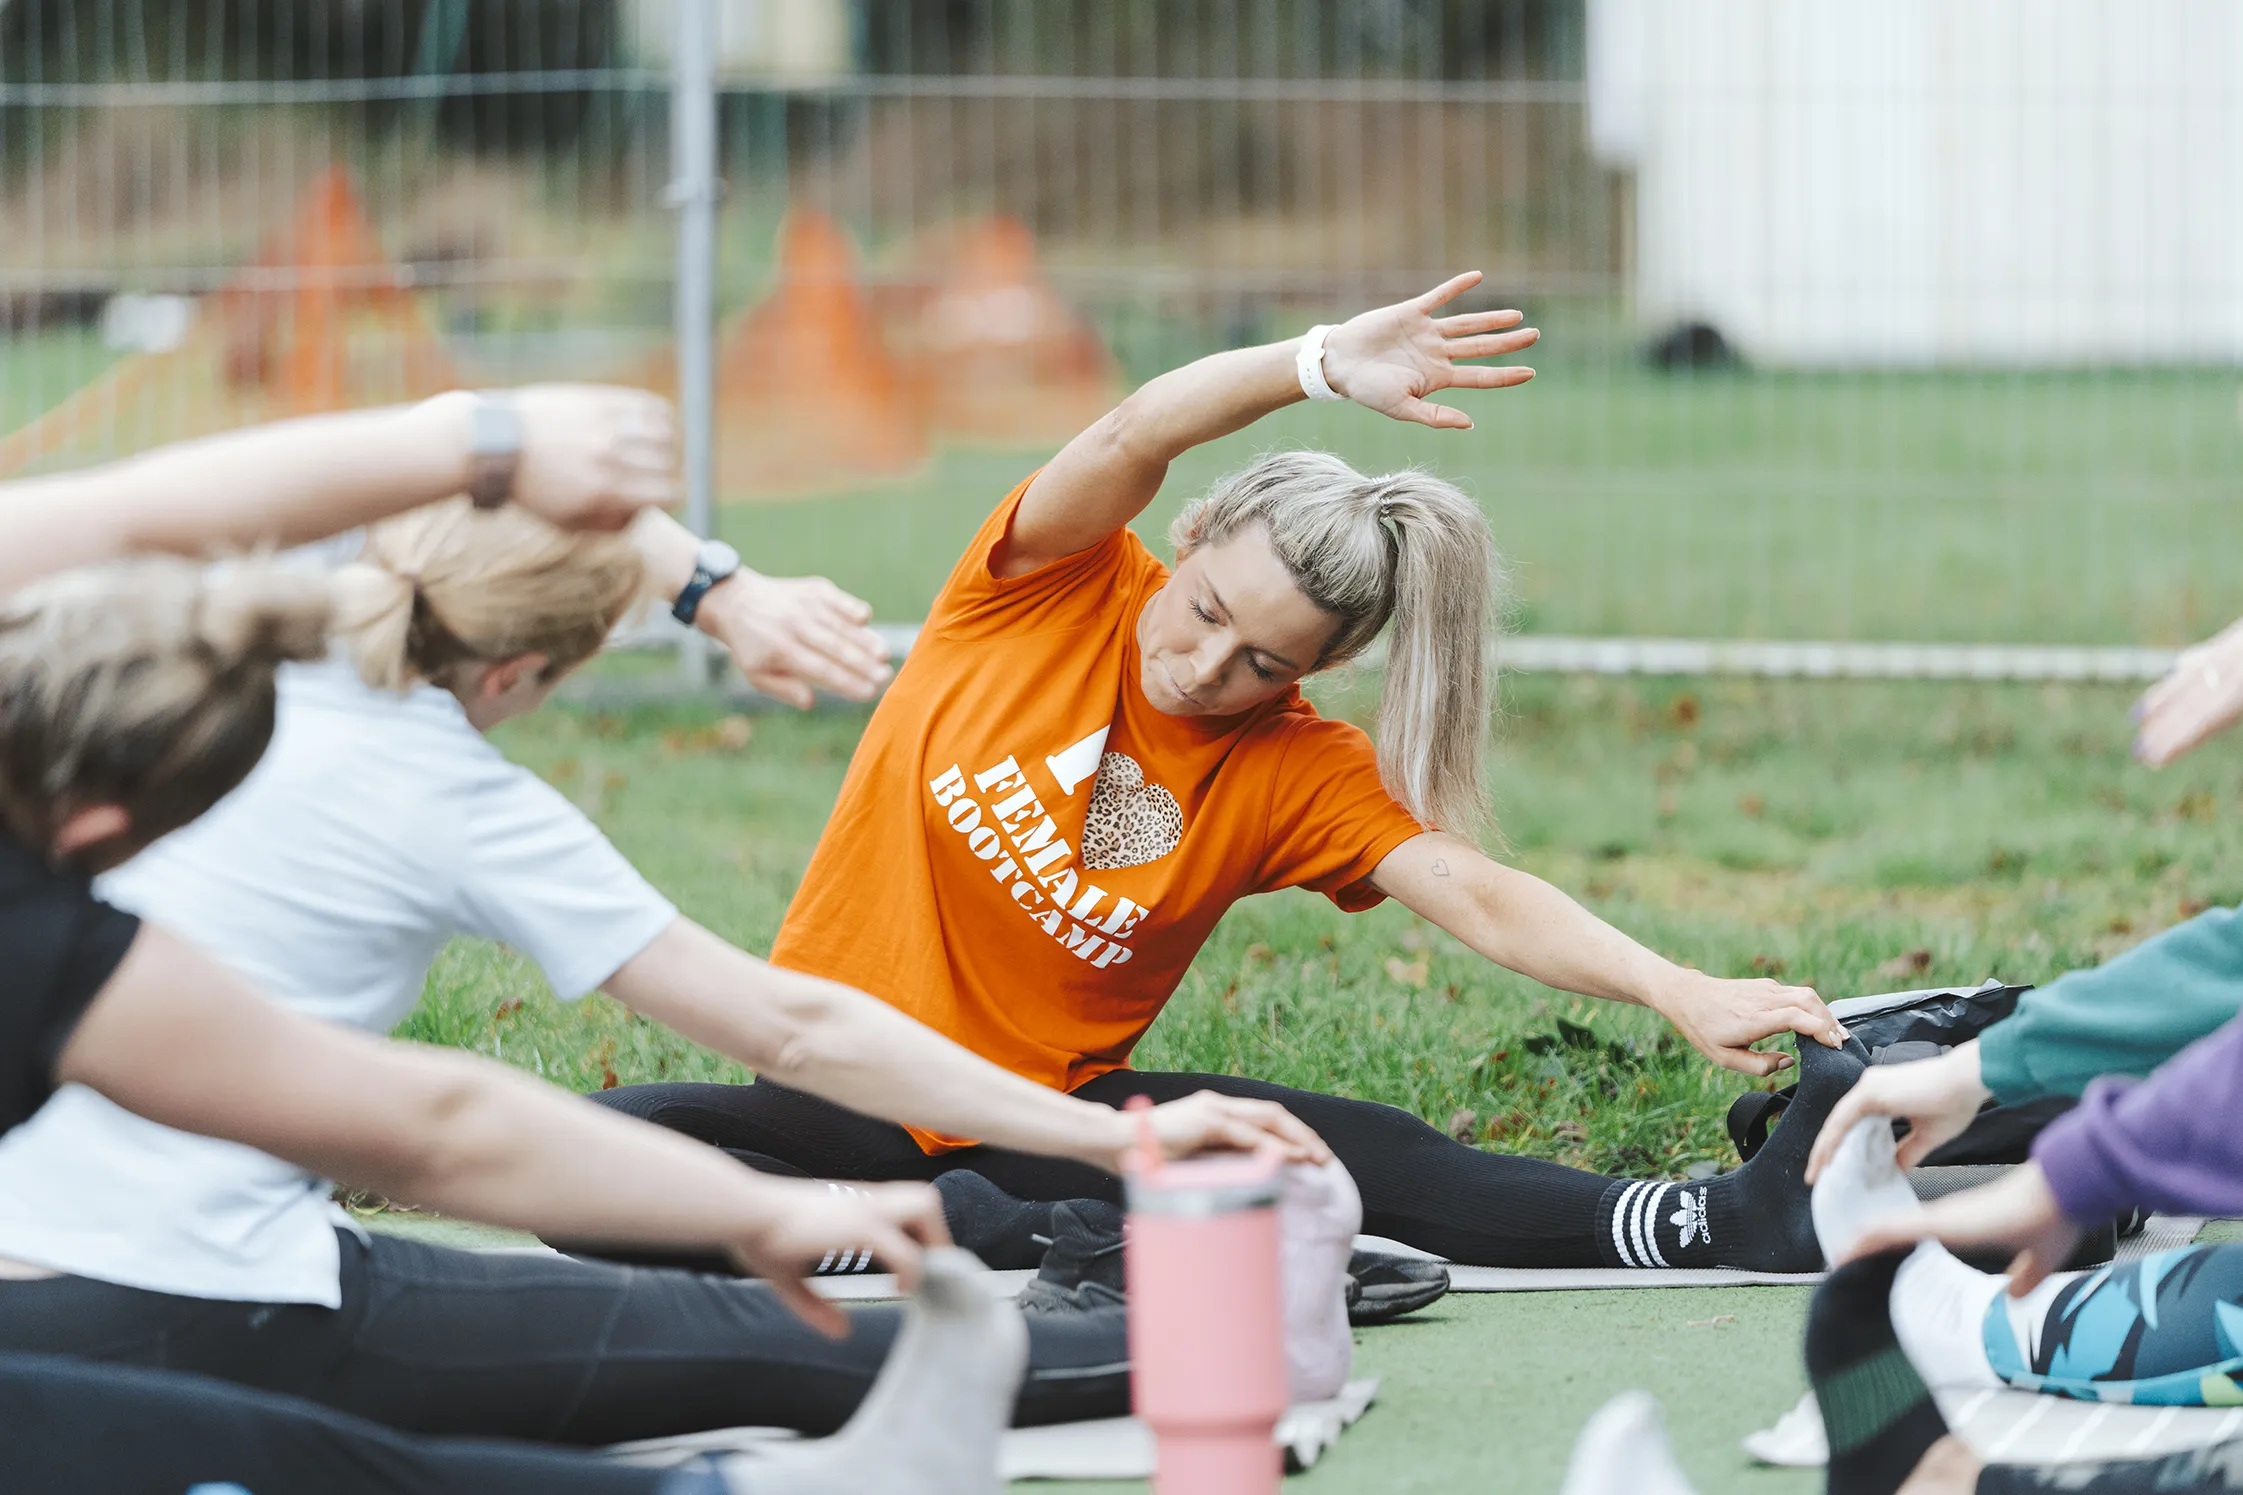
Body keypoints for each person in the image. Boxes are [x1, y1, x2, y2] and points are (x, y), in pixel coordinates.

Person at [597, 272, 1854, 1273]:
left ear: (1322, 666)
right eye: (1204, 610)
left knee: (1336, 1151)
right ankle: (985, 1232)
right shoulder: (1043, 583)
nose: (1204, 669)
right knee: (614, 1142)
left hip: (1042, 1127)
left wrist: (1673, 984)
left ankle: (1707, 1222)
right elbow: (1135, 427)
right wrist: (1316, 362)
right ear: (1186, 537)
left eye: (1262, 661)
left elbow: (1476, 895)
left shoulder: (1292, 766)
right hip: (829, 1088)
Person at [0, 495, 1323, 1442]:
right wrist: (1108, 1136)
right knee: (777, 1345)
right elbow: (790, 1028)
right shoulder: (457, 797)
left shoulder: (243, 637)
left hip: (42, 1276)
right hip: (200, 1293)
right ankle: (1219, 1332)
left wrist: (712, 590)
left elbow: (509, 454)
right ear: (522, 670)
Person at [0, 394, 1030, 1494]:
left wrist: (515, 462)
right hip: (168, 1290)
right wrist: (492, 445)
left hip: (84, 1293)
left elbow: (138, 512)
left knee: (252, 1449)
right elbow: (436, 1128)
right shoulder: (47, 933)